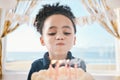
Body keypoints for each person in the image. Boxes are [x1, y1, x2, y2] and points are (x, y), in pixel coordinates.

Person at [27, 2, 86, 80]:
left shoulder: (79, 64)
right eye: (52, 33)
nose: (60, 37)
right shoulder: (37, 66)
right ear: (42, 40)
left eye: (66, 33)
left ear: (74, 40)